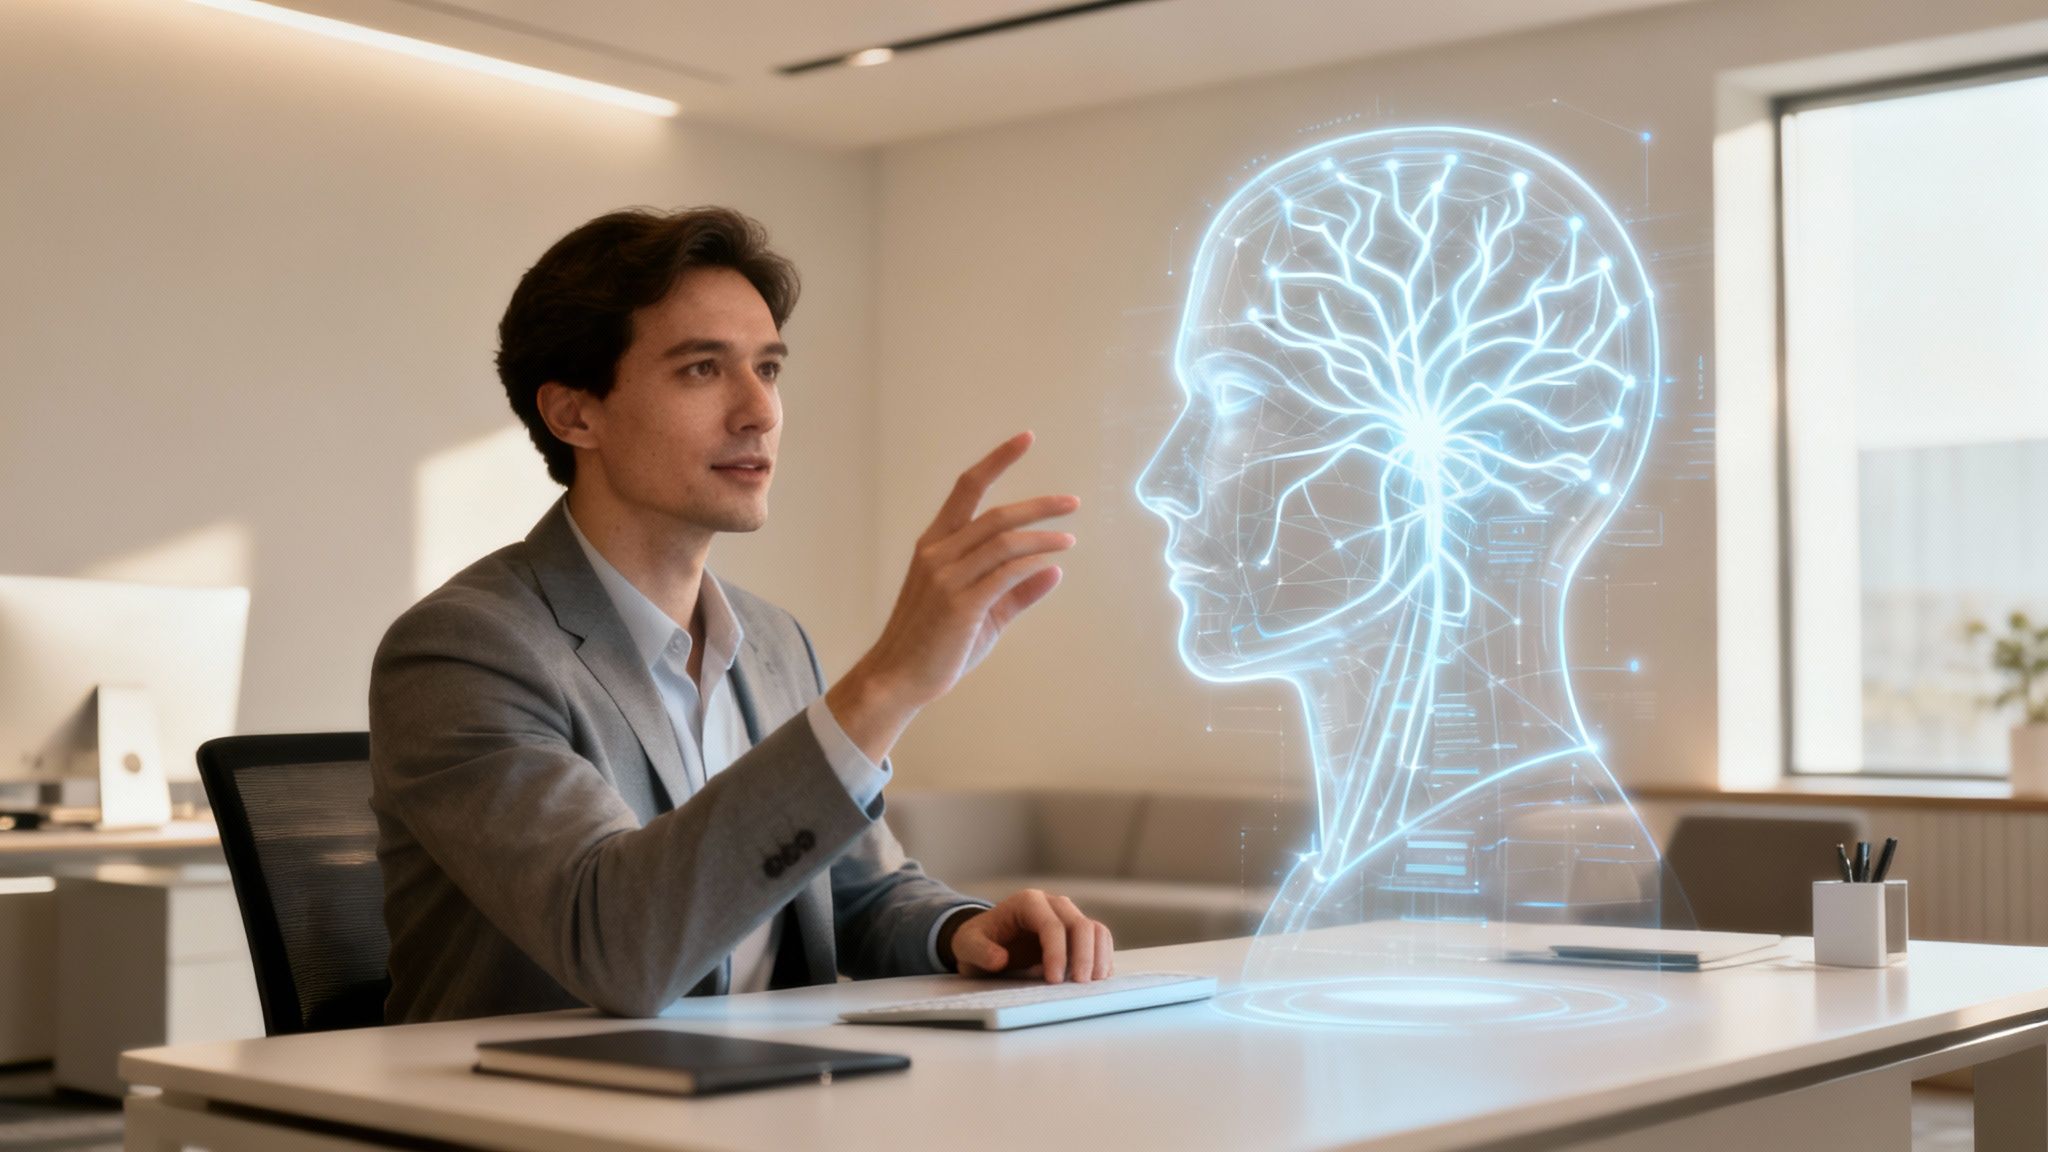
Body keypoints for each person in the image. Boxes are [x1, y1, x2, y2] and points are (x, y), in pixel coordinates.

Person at [370, 206, 1110, 1023]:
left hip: (769, 1101)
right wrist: (889, 684)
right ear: (576, 413)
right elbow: (614, 942)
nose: (759, 411)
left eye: (769, 368)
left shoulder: (773, 643)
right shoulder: (464, 650)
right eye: (701, 369)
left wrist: (960, 930)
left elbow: (851, 890)